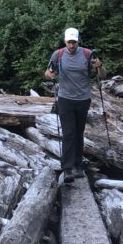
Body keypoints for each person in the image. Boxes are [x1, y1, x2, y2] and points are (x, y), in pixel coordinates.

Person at [44, 27, 103, 181]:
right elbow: (48, 72)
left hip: (83, 99)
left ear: (78, 41)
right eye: (69, 42)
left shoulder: (87, 54)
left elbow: (102, 75)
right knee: (68, 133)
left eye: (74, 42)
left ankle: (78, 165)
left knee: (79, 133)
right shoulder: (58, 54)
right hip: (65, 99)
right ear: (65, 41)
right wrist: (50, 74)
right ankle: (67, 168)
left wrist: (99, 66)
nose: (71, 45)